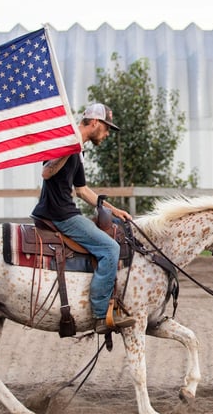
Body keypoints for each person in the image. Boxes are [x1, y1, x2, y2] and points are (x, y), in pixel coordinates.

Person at [31, 103, 135, 334]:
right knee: (110, 248)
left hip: (65, 211)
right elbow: (47, 172)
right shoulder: (66, 143)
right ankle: (101, 315)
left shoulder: (76, 149)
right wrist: (69, 148)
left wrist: (114, 209)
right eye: (107, 128)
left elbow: (82, 190)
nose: (107, 134)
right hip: (60, 215)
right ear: (95, 123)